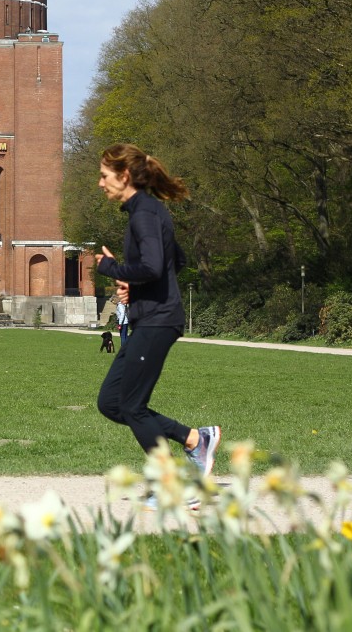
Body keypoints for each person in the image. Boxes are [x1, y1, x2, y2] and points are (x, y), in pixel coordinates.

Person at [93, 143, 221, 489]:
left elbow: (151, 265)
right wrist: (133, 288)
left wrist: (112, 268)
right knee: (111, 403)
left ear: (124, 176)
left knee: (132, 405)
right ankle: (196, 439)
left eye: (105, 176)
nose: (100, 183)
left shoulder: (145, 214)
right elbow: (173, 261)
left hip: (158, 320)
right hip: (149, 317)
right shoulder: (147, 211)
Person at [113, 281, 130, 346]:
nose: (113, 303)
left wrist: (120, 324)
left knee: (123, 336)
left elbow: (122, 314)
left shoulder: (120, 305)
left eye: (113, 301)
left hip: (123, 322)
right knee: (125, 335)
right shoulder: (122, 304)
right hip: (125, 322)